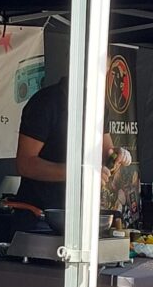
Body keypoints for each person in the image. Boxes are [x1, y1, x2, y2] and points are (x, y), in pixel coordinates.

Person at [13, 77, 131, 213]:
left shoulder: (97, 103)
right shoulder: (46, 101)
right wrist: (77, 172)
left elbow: (106, 153)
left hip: (82, 211)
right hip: (39, 213)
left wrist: (116, 157)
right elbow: (24, 164)